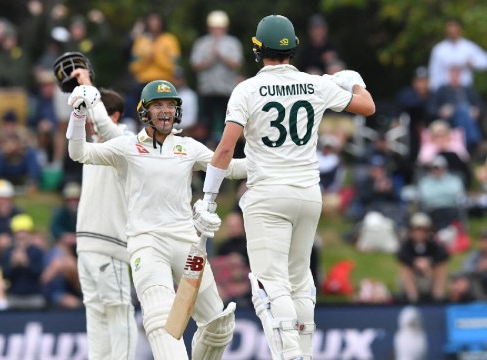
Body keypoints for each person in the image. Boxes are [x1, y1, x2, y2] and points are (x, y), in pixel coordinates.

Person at [196, 15, 375, 360]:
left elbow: (225, 149)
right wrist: (353, 80)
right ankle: (304, 353)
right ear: (293, 47)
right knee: (299, 280)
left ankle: (291, 354)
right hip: (309, 195)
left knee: (269, 284)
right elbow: (367, 105)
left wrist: (208, 198)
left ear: (257, 49)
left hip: (267, 195)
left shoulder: (246, 89)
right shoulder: (316, 85)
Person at [67, 79, 247, 359]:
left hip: (187, 244)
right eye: (158, 105)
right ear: (144, 111)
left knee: (218, 326)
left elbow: (231, 167)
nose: (165, 111)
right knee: (160, 320)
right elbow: (79, 153)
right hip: (147, 244)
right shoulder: (126, 147)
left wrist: (277, 161)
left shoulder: (188, 147)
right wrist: (78, 114)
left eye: (170, 105)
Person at [66, 67, 138, 359]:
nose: (93, 120)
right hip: (86, 246)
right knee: (95, 315)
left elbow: (105, 127)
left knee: (119, 313)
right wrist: (80, 101)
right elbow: (75, 133)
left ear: (115, 116)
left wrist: (88, 86)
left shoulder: (127, 140)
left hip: (111, 246)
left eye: (98, 111)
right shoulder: (91, 147)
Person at [190, 10, 244, 142]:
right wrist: (211, 59)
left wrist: (221, 55)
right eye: (214, 28)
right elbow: (195, 65)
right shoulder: (201, 43)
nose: (217, 31)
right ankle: (206, 149)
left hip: (227, 90)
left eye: (220, 28)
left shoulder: (233, 43)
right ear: (209, 28)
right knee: (205, 122)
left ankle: (231, 149)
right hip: (207, 90)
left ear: (225, 28)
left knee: (230, 122)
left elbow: (237, 64)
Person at [396, 212, 450, 303]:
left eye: (423, 230)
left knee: (441, 266)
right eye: (417, 230)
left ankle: (438, 295)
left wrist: (429, 262)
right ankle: (412, 297)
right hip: (413, 280)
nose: (419, 234)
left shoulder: (433, 244)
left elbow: (444, 256)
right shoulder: (407, 244)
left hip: (429, 277)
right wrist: (415, 262)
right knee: (404, 267)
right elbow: (401, 256)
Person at [428, 18, 487, 91]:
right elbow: (434, 72)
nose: (452, 31)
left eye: (455, 28)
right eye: (450, 28)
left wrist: (473, 63)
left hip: (465, 89)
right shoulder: (439, 49)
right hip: (444, 90)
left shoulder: (468, 47)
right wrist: (434, 91)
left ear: (460, 30)